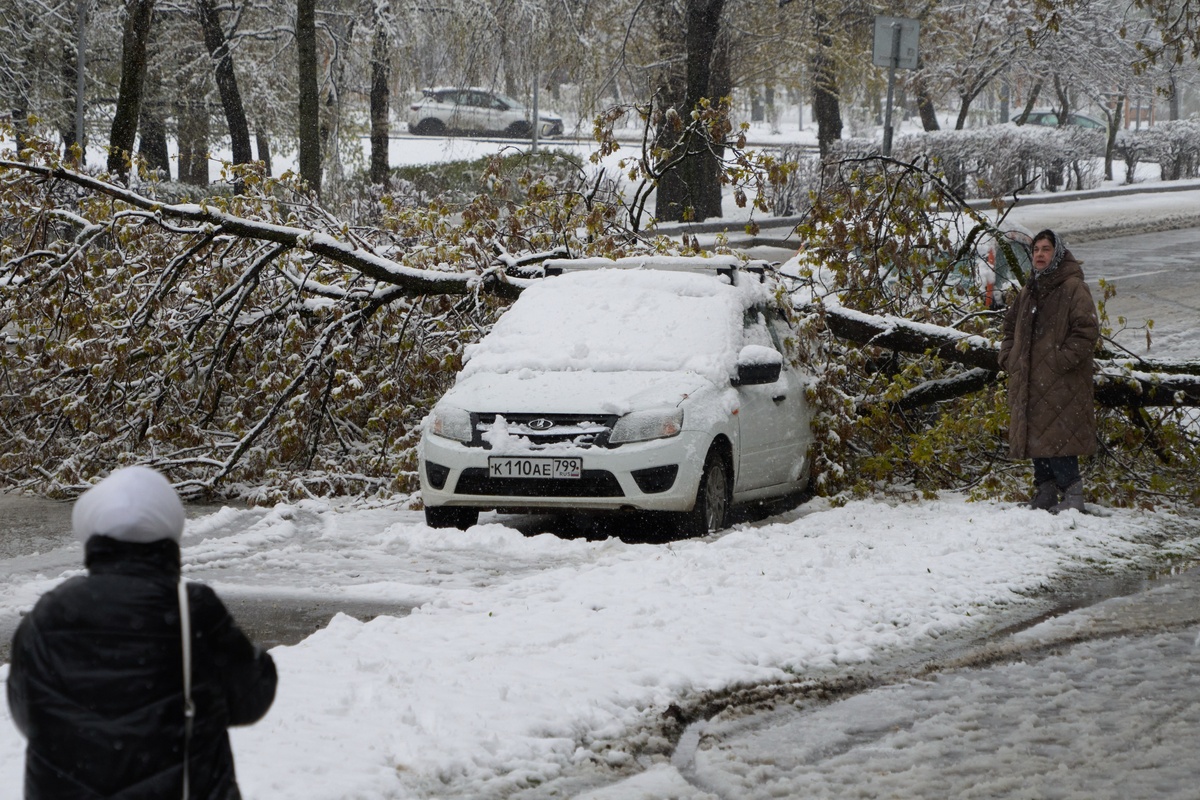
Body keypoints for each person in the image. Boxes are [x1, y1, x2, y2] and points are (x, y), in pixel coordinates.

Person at [6, 466, 277, 799]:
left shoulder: (48, 614)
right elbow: (251, 699)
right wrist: (258, 658)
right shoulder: (193, 611)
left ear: (94, 537)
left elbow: (26, 712)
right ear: (169, 536)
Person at [998, 229, 1099, 514]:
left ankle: (1072, 493)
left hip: (1061, 381)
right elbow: (1009, 326)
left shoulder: (1072, 287)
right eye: (1036, 250)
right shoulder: (1031, 288)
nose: (1040, 254)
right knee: (1037, 432)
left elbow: (1087, 330)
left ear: (1057, 253)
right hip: (1030, 378)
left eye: (1046, 249)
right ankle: (1045, 490)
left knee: (1060, 434)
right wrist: (1009, 356)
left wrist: (1059, 361)